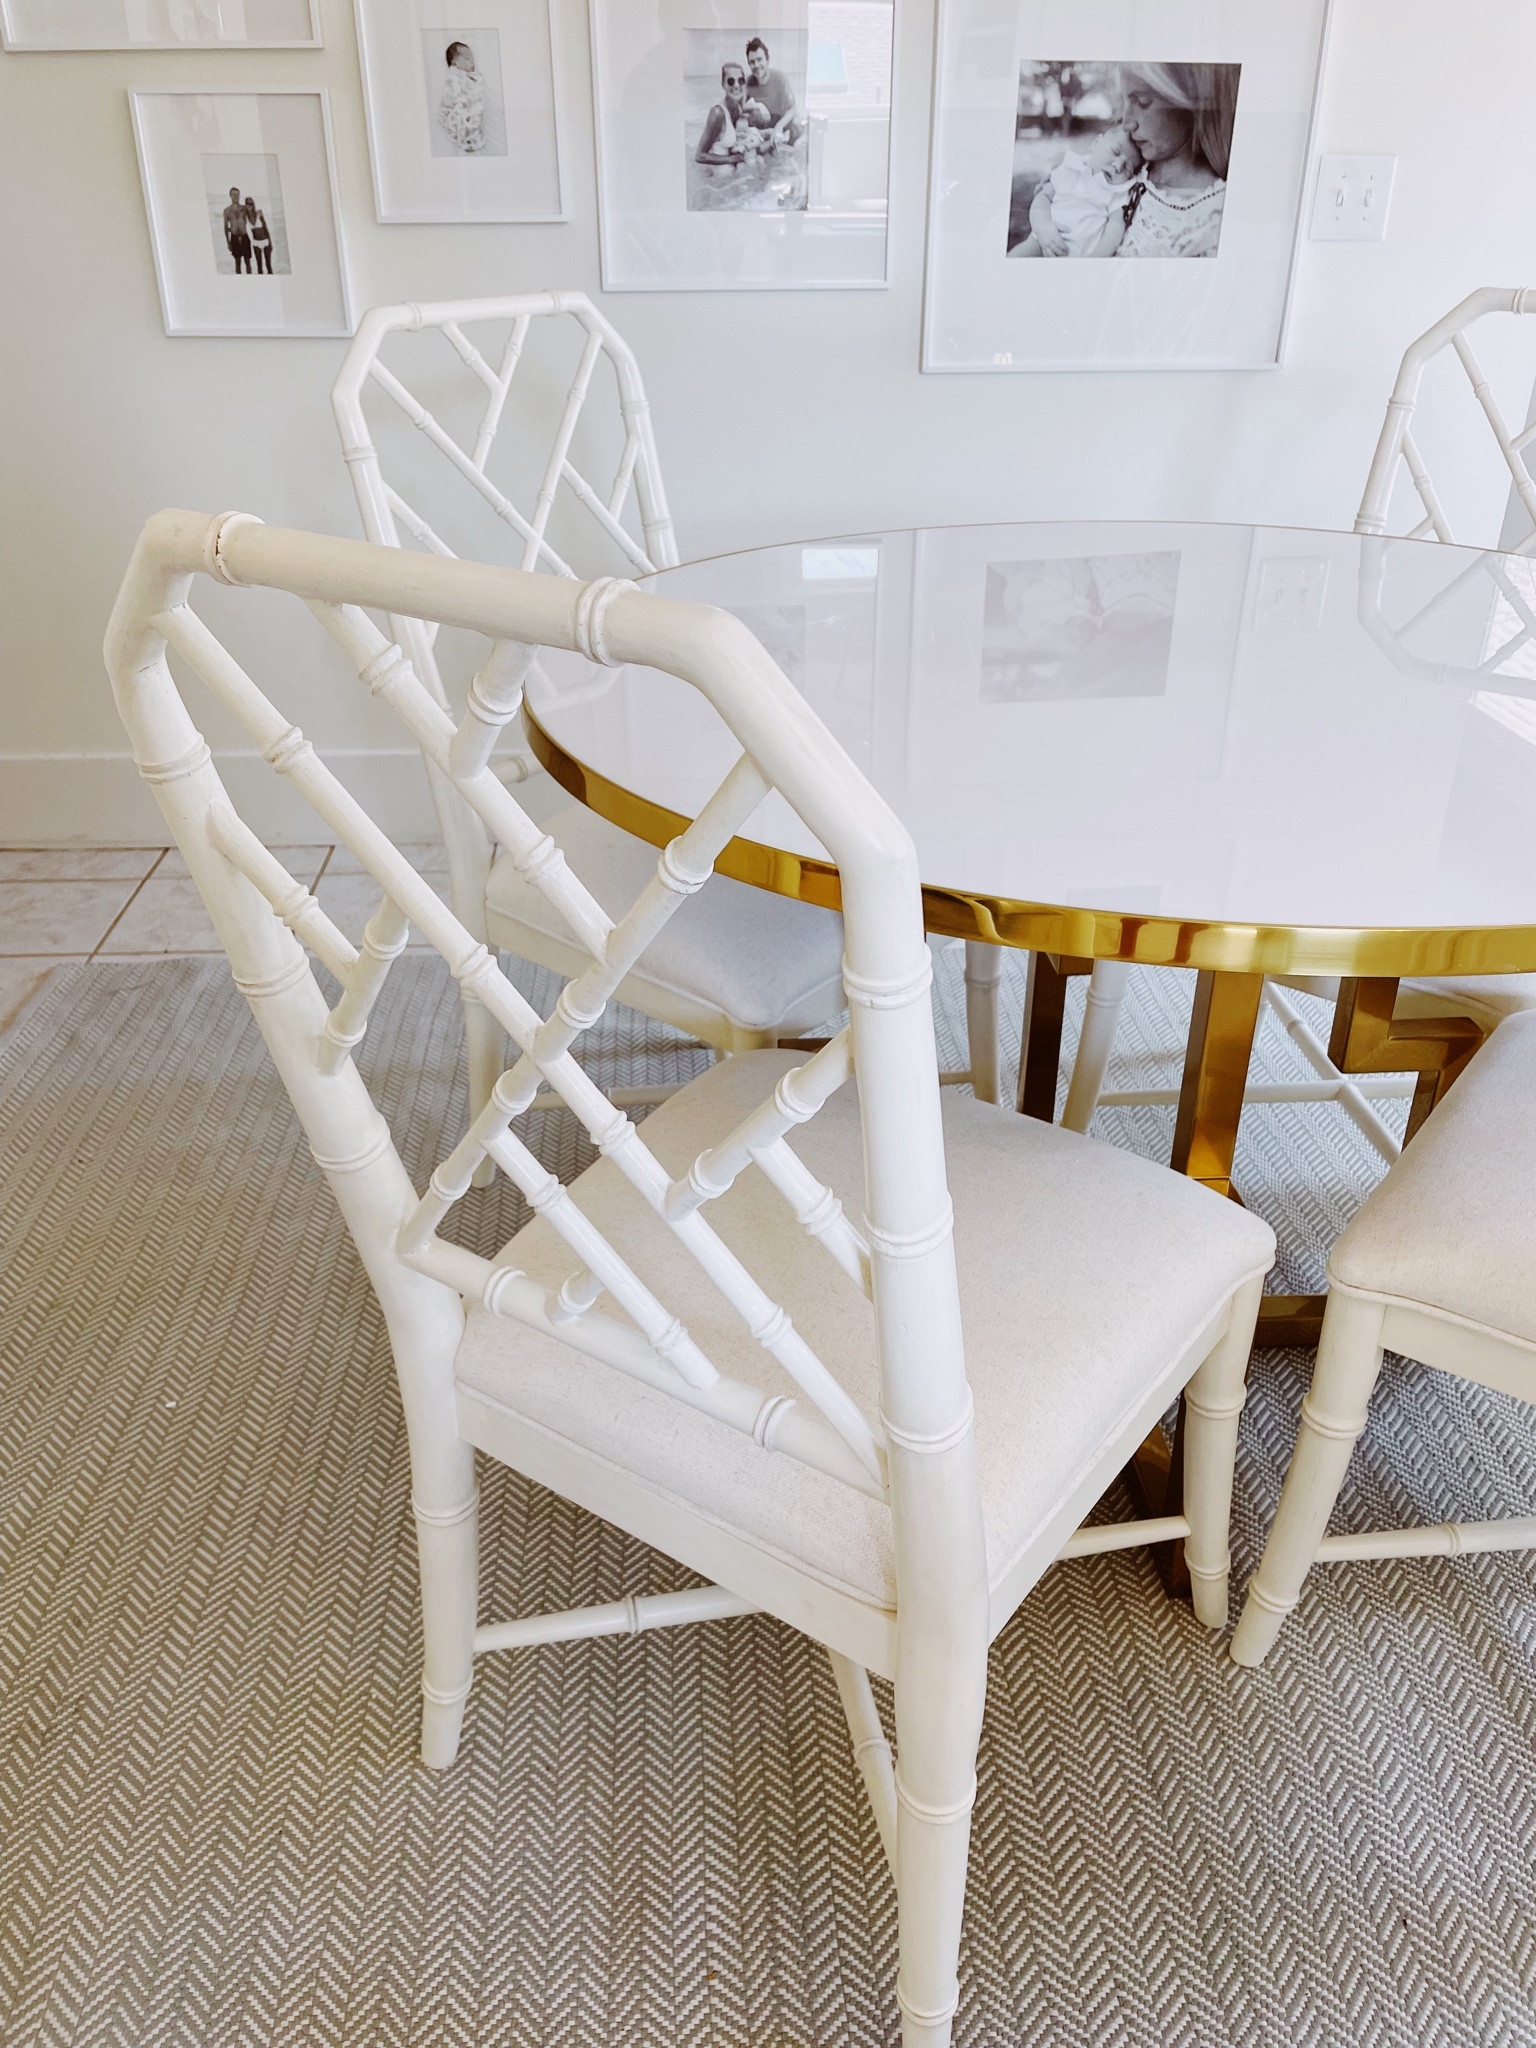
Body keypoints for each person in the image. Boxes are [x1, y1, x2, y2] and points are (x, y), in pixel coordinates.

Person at [1014, 126, 1143, 258]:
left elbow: (1115, 229)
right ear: (1096, 142)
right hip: (1042, 242)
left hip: (1080, 254)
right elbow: (1042, 198)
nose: (1118, 165)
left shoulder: (1117, 192)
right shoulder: (1070, 168)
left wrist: (1097, 256)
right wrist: (1043, 228)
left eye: (1128, 168)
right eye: (1115, 152)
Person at [743, 36, 804, 149]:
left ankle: (789, 147)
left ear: (767, 60)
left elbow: (792, 108)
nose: (756, 65)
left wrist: (779, 127)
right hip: (764, 130)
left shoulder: (780, 78)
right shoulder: (748, 83)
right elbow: (739, 109)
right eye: (752, 62)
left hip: (781, 126)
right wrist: (757, 105)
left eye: (759, 59)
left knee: (797, 124)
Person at [695, 61, 758, 168]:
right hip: (717, 182)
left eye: (741, 80)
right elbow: (699, 156)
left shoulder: (738, 108)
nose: (736, 85)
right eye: (730, 81)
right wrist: (732, 159)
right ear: (723, 84)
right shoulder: (717, 113)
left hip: (732, 180)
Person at [438, 39, 488, 155]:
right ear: (455, 64)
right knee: (463, 118)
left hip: (468, 110)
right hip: (455, 110)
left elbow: (477, 88)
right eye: (467, 59)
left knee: (474, 120)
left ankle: (473, 140)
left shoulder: (470, 76)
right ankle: (464, 140)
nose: (472, 62)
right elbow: (454, 95)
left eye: (472, 58)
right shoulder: (454, 77)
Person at [222, 187, 252, 274]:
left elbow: (252, 221)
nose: (235, 196)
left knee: (248, 263)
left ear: (239, 196)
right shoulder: (227, 211)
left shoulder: (244, 208)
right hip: (234, 238)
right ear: (230, 196)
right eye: (233, 194)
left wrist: (251, 211)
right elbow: (225, 227)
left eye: (237, 194)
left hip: (245, 237)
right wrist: (228, 242)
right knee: (237, 263)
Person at [245, 195, 273, 275]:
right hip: (255, 243)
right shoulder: (245, 216)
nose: (249, 205)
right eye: (248, 203)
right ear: (246, 205)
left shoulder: (259, 212)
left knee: (268, 265)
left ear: (253, 204)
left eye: (251, 203)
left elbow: (265, 226)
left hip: (265, 241)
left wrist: (270, 241)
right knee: (259, 266)